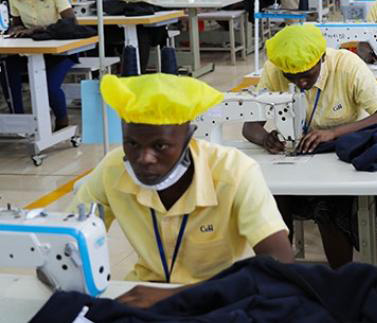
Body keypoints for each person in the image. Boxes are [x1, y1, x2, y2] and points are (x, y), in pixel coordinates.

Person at [72, 74, 293, 307]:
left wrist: (175, 296)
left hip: (221, 298)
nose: (144, 158)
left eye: (160, 146)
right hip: (145, 291)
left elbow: (281, 265)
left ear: (188, 137)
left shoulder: (235, 172)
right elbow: (67, 237)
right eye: (132, 144)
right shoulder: (112, 170)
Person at [243, 25, 377, 267]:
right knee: (271, 199)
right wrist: (265, 139)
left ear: (322, 58)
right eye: (291, 78)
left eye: (307, 75)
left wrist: (333, 133)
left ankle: (339, 277)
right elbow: (250, 126)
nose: (300, 83)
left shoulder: (347, 66)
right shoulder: (276, 69)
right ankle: (278, 275)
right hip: (301, 157)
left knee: (329, 207)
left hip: (340, 158)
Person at [3, 0, 77, 131]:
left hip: (60, 52)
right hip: (31, 51)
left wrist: (39, 29)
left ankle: (62, 120)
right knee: (6, 70)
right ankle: (18, 121)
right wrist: (16, 29)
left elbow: (71, 22)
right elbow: (17, 24)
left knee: (49, 87)